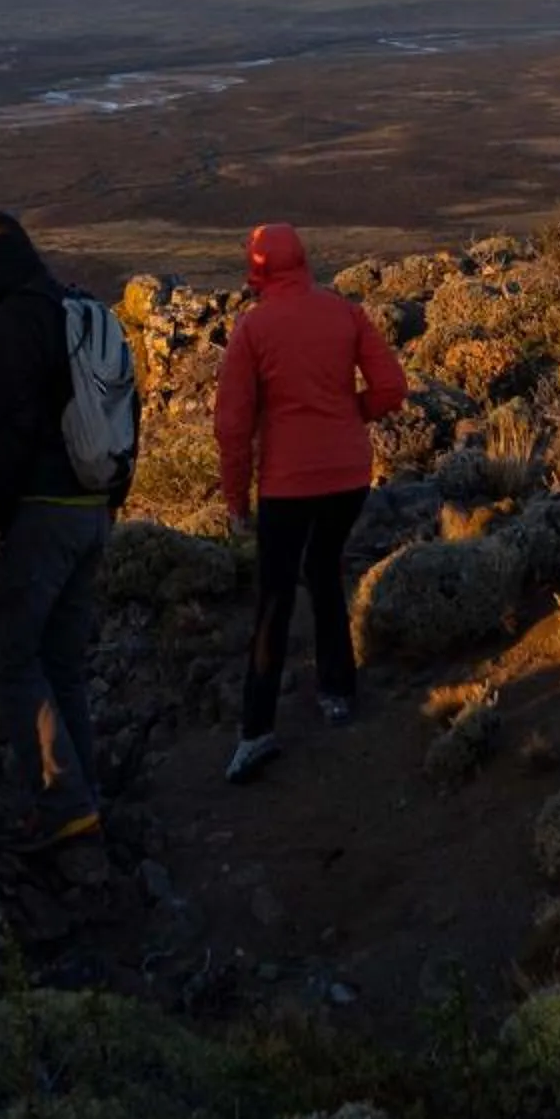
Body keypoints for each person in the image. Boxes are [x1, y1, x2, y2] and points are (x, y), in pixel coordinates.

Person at [0, 210, 126, 850]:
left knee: (7, 657)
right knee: (62, 662)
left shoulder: (17, 324)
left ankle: (63, 804)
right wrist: (113, 500)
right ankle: (85, 795)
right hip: (91, 506)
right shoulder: (75, 306)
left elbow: (12, 431)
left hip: (42, 511)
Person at [214, 224, 408, 784]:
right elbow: (391, 388)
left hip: (287, 484)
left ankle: (256, 731)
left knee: (274, 598)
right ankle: (338, 692)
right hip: (349, 476)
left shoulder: (253, 329)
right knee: (324, 571)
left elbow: (232, 427)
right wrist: (348, 416)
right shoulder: (344, 313)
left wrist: (236, 501)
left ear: (257, 268)